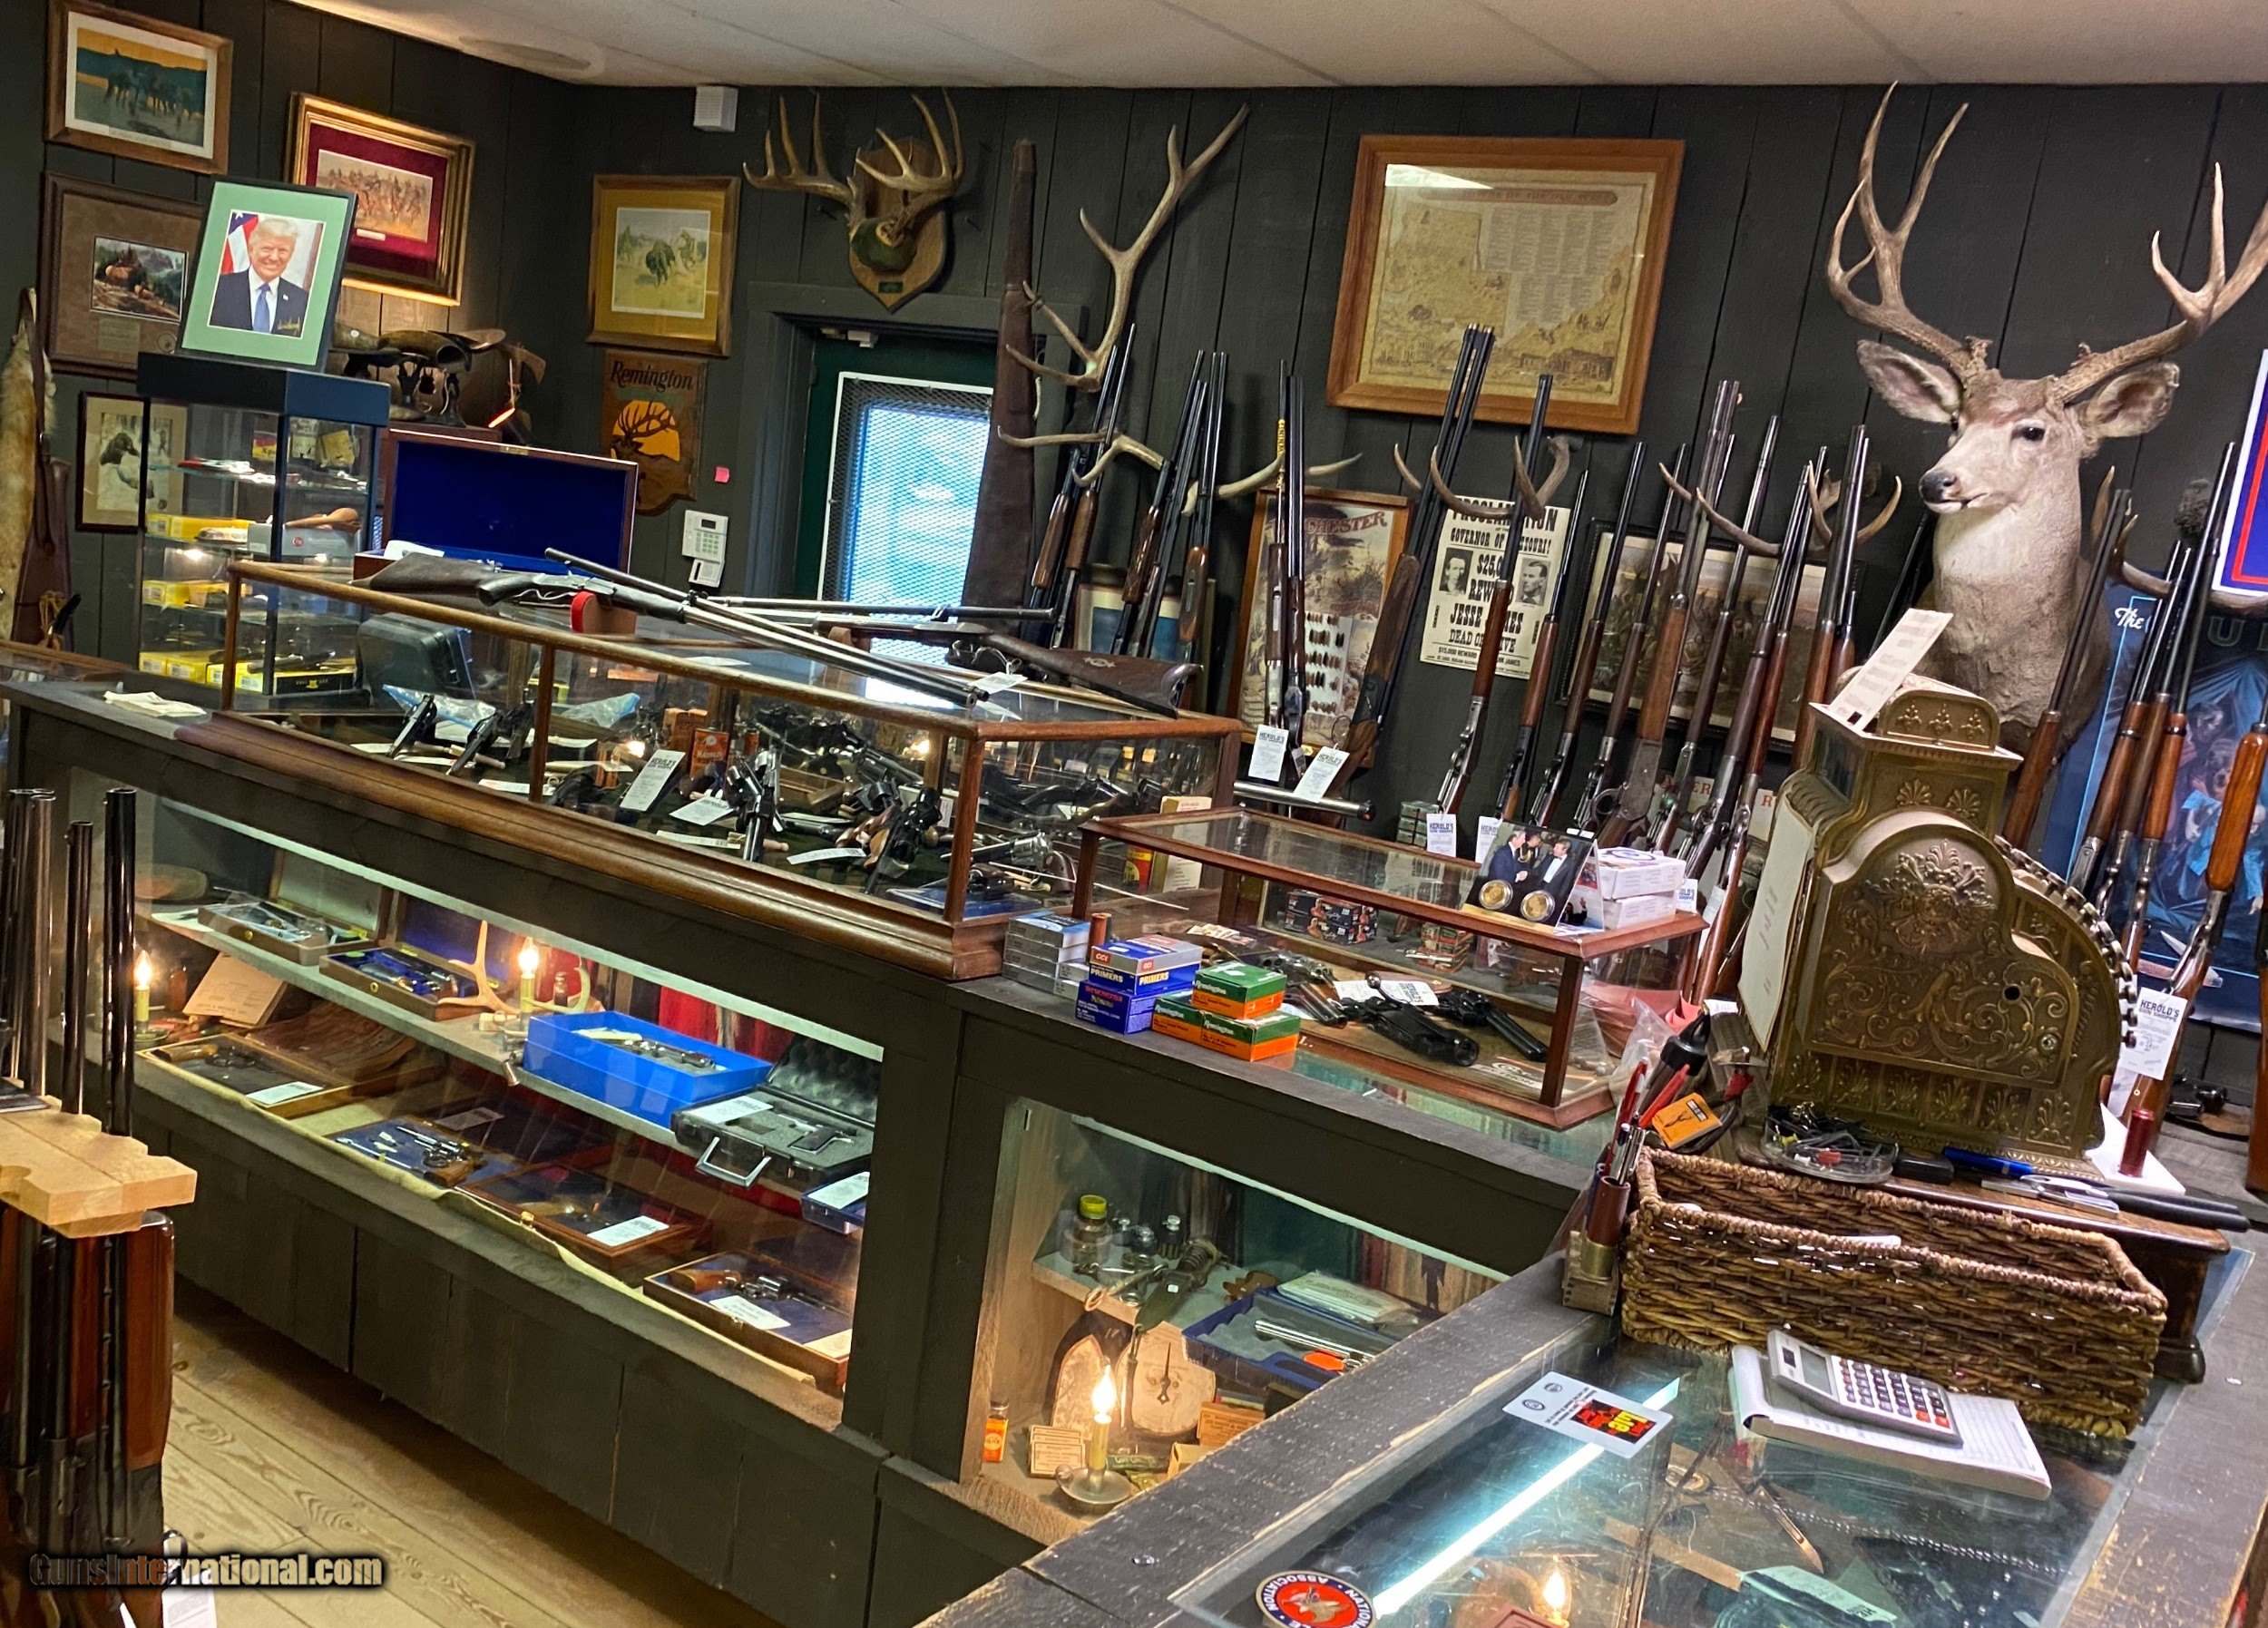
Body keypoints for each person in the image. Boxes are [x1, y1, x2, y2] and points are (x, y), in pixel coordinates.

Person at [209, 217, 309, 336]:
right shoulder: (218, 289)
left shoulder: (302, 301)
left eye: (282, 251)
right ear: (251, 250)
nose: (274, 257)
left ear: (291, 255)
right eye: (267, 249)